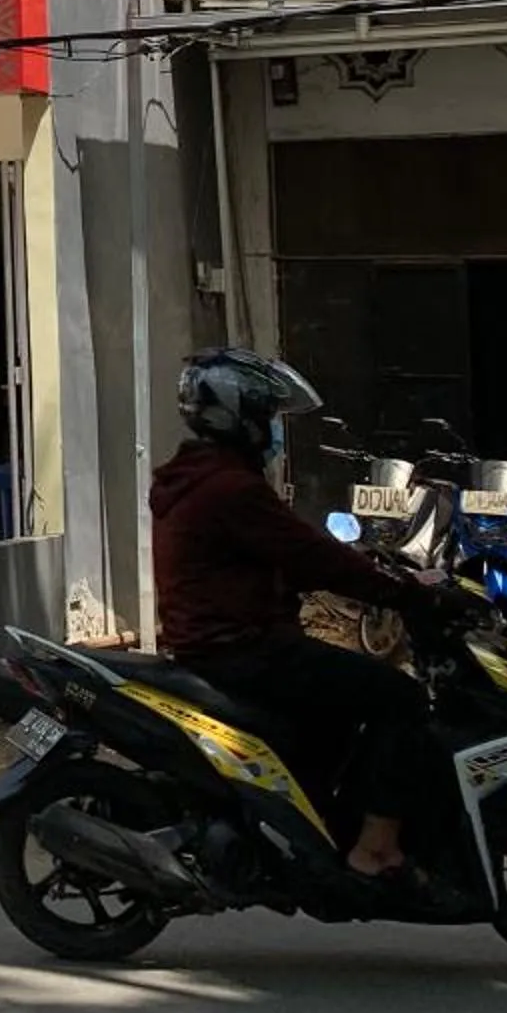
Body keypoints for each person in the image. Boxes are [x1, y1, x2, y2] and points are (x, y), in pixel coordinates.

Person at [150, 348, 434, 883]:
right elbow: (311, 554)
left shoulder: (194, 477)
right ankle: (374, 850)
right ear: (237, 418)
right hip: (244, 649)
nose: (274, 432)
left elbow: (278, 558)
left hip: (219, 644)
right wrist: (404, 593)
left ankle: (319, 826)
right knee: (401, 697)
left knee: (338, 715)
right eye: (267, 418)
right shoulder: (231, 488)